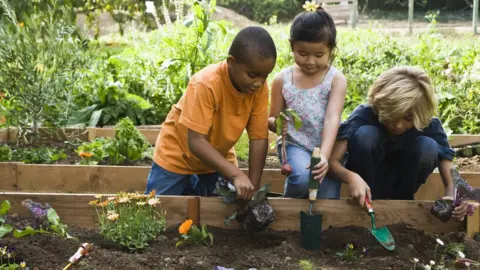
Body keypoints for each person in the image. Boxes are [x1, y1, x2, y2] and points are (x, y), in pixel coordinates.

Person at [145, 26, 277, 200]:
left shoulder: (257, 89)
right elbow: (196, 142)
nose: (259, 83)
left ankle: (192, 185)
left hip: (217, 159)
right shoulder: (206, 84)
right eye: (252, 75)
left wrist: (252, 188)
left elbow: (259, 138)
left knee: (222, 212)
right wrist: (237, 175)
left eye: (265, 76)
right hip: (178, 154)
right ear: (231, 62)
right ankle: (189, 183)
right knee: (157, 210)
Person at [323, 66, 468, 220]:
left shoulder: (428, 124)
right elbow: (331, 163)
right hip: (366, 186)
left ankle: (403, 203)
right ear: (380, 106)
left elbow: (449, 169)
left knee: (429, 146)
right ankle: (367, 200)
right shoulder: (364, 115)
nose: (398, 125)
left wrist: (454, 197)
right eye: (392, 116)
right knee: (366, 135)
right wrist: (352, 178)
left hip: (404, 185)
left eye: (408, 118)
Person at [268, 5, 347, 199]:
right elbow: (271, 119)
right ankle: (287, 215)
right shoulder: (282, 80)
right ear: (292, 46)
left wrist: (326, 157)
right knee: (303, 179)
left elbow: (331, 118)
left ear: (331, 49)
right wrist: (278, 123)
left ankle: (316, 226)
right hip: (296, 145)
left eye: (319, 55)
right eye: (303, 53)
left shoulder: (335, 80)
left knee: (327, 199)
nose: (310, 61)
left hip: (328, 145)